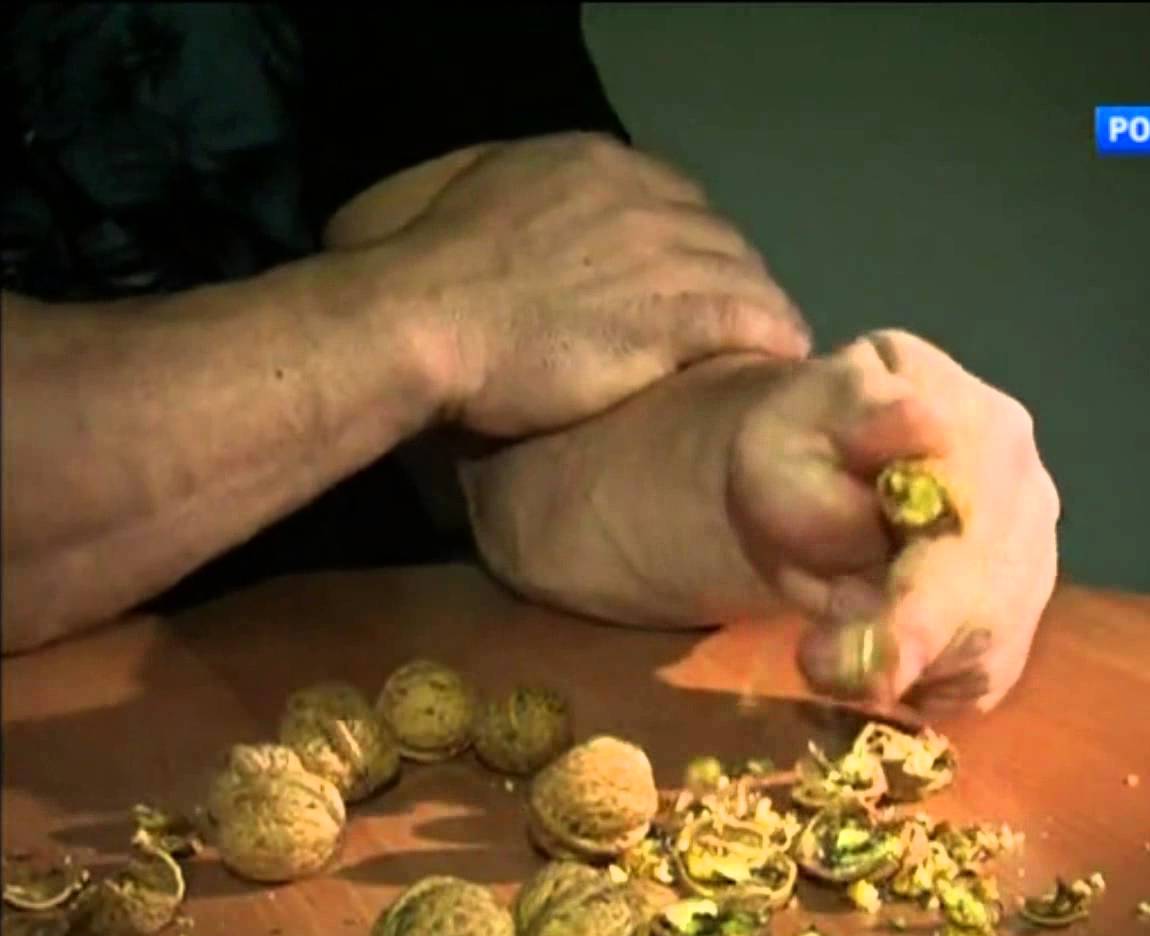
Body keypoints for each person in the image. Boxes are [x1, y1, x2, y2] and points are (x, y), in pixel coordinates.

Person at [1, 3, 1059, 712]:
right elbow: (480, 305)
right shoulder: (436, 299)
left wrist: (766, 457)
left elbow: (547, 389)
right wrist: (418, 314)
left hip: (371, 715)